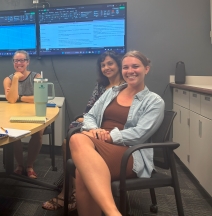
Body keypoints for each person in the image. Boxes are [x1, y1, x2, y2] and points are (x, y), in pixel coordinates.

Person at [69, 51, 164, 216]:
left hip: (129, 152)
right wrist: (95, 130)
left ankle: (112, 212)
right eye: (126, 67)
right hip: (100, 141)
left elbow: (140, 134)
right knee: (82, 167)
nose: (130, 71)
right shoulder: (111, 92)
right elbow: (90, 115)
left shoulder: (154, 101)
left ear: (146, 69)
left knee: (77, 142)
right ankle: (113, 212)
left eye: (136, 66)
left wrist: (110, 136)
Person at [42, 50, 125, 211]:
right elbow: (90, 109)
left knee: (70, 141)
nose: (106, 68)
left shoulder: (125, 87)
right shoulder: (101, 86)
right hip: (94, 124)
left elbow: (120, 116)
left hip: (111, 131)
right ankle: (69, 189)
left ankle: (70, 192)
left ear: (119, 64)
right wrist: (88, 121)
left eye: (110, 63)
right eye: (103, 65)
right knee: (68, 140)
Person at [3, 50, 42, 179]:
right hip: (15, 114)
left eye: (22, 60)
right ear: (13, 62)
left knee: (38, 132)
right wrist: (15, 78)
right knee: (14, 134)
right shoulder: (8, 79)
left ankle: (30, 165)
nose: (19, 63)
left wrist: (19, 97)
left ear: (28, 62)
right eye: (16, 60)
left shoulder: (36, 77)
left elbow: (39, 98)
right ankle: (20, 165)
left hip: (34, 113)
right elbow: (12, 100)